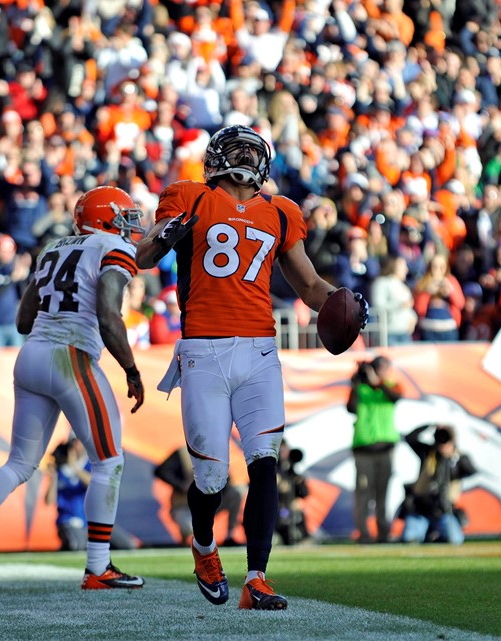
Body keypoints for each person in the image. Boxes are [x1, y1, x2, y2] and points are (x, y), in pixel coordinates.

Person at [134, 124, 368, 611]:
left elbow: (308, 284)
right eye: (233, 150)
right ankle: (203, 547)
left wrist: (343, 302)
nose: (241, 159)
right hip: (203, 349)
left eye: (248, 151)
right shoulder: (188, 196)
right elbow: (144, 256)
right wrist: (165, 236)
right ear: (216, 159)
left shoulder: (281, 211)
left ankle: (256, 577)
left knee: (266, 461)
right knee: (212, 479)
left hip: (260, 350)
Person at [0, 186, 147, 594]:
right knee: (108, 461)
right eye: (124, 217)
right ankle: (98, 567)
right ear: (106, 219)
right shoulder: (111, 247)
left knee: (18, 464)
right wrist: (130, 367)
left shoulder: (53, 248)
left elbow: (22, 319)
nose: (130, 226)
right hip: (70, 355)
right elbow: (108, 314)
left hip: (32, 353)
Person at [346, 355, 403, 544]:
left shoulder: (391, 386)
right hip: (364, 450)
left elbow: (395, 397)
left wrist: (377, 382)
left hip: (385, 449)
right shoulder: (361, 389)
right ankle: (363, 533)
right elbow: (351, 408)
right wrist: (356, 382)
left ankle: (383, 532)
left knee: (382, 494)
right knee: (363, 493)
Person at [400, 424, 477, 545]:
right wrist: (430, 426)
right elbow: (410, 438)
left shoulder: (458, 459)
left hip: (443, 511)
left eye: (446, 438)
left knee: (455, 540)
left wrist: (453, 459)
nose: (442, 443)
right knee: (409, 539)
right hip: (421, 510)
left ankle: (435, 535)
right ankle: (428, 534)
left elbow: (472, 471)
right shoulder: (428, 453)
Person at [154, 445, 195, 546]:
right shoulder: (184, 453)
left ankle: (230, 534)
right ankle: (186, 542)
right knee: (189, 527)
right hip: (185, 505)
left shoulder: (214, 453)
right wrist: (181, 486)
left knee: (235, 493)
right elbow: (162, 471)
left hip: (209, 504)